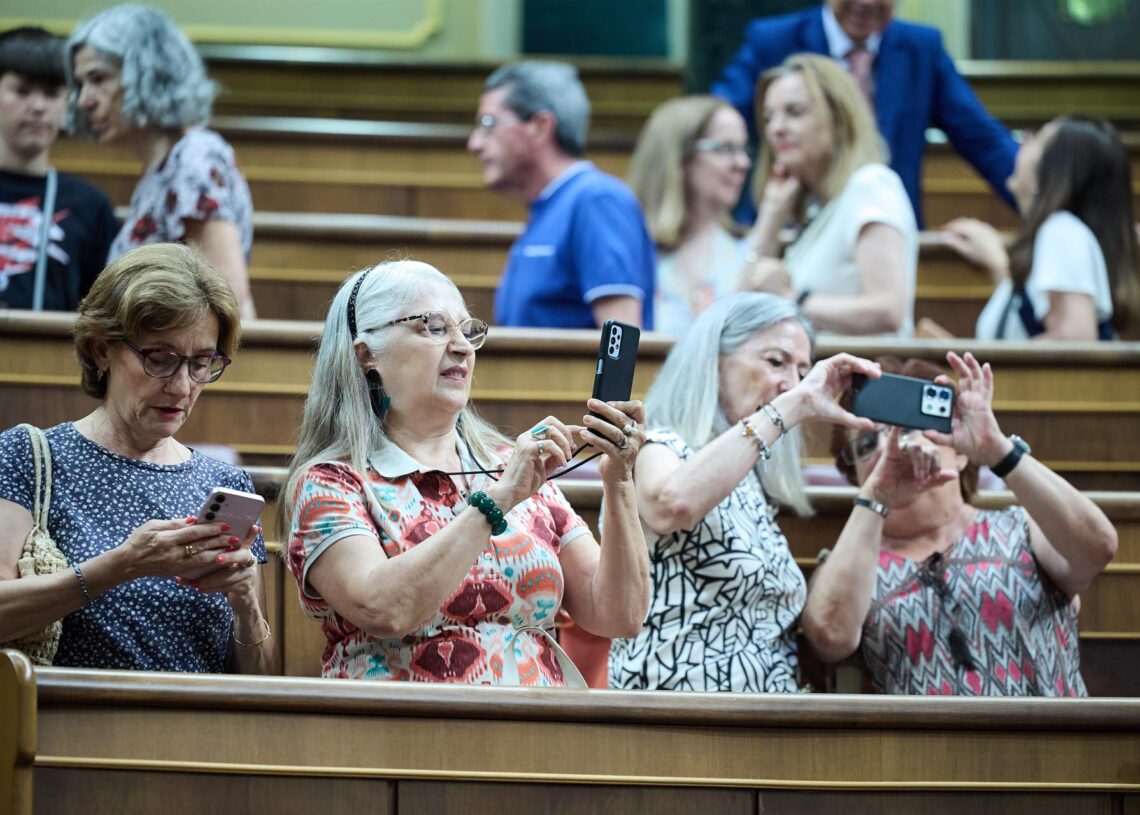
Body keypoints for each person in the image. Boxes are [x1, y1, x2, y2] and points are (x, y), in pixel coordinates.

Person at [283, 259, 650, 683]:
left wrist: (618, 479)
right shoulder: (331, 482)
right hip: (405, 721)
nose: (461, 346)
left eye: (467, 330)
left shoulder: (511, 464)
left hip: (540, 721)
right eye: (435, 328)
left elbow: (619, 614)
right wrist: (497, 501)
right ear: (367, 354)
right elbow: (384, 610)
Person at [0, 243, 276, 673]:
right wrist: (122, 565)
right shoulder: (29, 457)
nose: (182, 387)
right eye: (160, 360)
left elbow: (262, 684)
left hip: (201, 716)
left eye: (201, 363)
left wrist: (246, 605)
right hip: (70, 715)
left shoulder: (227, 484)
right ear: (101, 349)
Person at [608, 292, 881, 692]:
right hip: (677, 709)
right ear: (713, 360)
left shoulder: (748, 478)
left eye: (802, 371)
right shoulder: (656, 445)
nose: (792, 385)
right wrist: (791, 407)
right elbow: (673, 504)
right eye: (776, 362)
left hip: (764, 711)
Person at [802, 353, 1117, 695]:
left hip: (1048, 730)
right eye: (866, 444)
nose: (887, 446)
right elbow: (830, 638)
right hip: (921, 734)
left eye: (908, 428)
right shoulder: (849, 563)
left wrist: (998, 450)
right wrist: (877, 496)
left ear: (961, 451)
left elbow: (1098, 548)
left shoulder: (1023, 527)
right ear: (854, 475)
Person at [711, 0, 1017, 226]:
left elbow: (984, 141)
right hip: (789, 230)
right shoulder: (774, 41)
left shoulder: (922, 48)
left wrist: (1041, 199)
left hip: (887, 236)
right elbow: (719, 118)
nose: (867, 2)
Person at [65, 4, 256, 319]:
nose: (84, 100)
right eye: (82, 83)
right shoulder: (164, 165)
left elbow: (226, 298)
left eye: (99, 79)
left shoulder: (194, 158)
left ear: (149, 74)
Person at [467, 60, 655, 330]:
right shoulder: (548, 206)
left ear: (540, 127)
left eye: (488, 123)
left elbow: (622, 342)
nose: (474, 144)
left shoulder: (598, 200)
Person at [741, 54, 917, 336]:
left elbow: (888, 310)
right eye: (768, 117)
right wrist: (770, 217)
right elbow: (733, 314)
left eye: (795, 112)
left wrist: (792, 299)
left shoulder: (871, 185)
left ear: (838, 118)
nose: (776, 128)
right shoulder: (818, 208)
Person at [936, 116, 1140, 341]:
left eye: (1036, 139)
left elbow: (1074, 341)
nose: (1024, 141)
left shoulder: (1061, 232)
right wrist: (999, 265)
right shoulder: (1063, 234)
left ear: (1051, 174)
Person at [0, 26, 116, 310]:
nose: (38, 107)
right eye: (22, 91)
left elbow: (103, 313)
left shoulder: (90, 205)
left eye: (52, 94)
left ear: (67, 105)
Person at [628, 95, 753, 336]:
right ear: (679, 158)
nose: (742, 163)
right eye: (725, 149)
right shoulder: (632, 249)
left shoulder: (748, 250)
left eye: (744, 149)